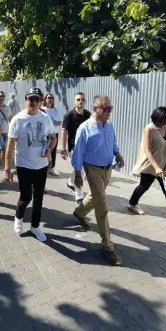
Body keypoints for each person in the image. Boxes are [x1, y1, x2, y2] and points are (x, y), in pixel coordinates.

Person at [71, 94, 124, 266]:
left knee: (96, 196)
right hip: (92, 169)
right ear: (95, 108)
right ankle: (107, 247)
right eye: (106, 108)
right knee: (102, 206)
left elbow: (113, 142)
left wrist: (118, 154)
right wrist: (77, 175)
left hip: (107, 169)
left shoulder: (109, 125)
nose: (109, 111)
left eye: (110, 108)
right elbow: (78, 153)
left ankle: (79, 212)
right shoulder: (85, 128)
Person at [5, 87, 57, 242]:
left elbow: (53, 137)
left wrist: (49, 149)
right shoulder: (17, 119)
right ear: (26, 100)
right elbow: (10, 145)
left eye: (37, 99)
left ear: (41, 101)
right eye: (31, 99)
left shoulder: (45, 117)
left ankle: (35, 227)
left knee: (38, 197)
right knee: (25, 196)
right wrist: (7, 168)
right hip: (23, 164)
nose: (34, 102)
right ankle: (18, 218)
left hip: (41, 165)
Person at [61, 92, 91, 201]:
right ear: (74, 101)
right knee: (80, 169)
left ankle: (70, 182)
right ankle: (79, 194)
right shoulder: (69, 115)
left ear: (85, 101)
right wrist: (63, 149)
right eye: (78, 99)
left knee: (82, 169)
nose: (80, 101)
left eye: (82, 99)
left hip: (86, 147)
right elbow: (64, 132)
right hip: (74, 147)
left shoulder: (88, 114)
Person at [42, 93, 62, 176]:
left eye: (52, 98)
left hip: (54, 133)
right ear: (45, 99)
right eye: (49, 98)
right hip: (44, 134)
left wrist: (53, 122)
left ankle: (51, 168)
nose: (50, 99)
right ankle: (43, 167)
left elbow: (59, 122)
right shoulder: (42, 110)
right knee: (43, 150)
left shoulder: (55, 110)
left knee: (53, 151)